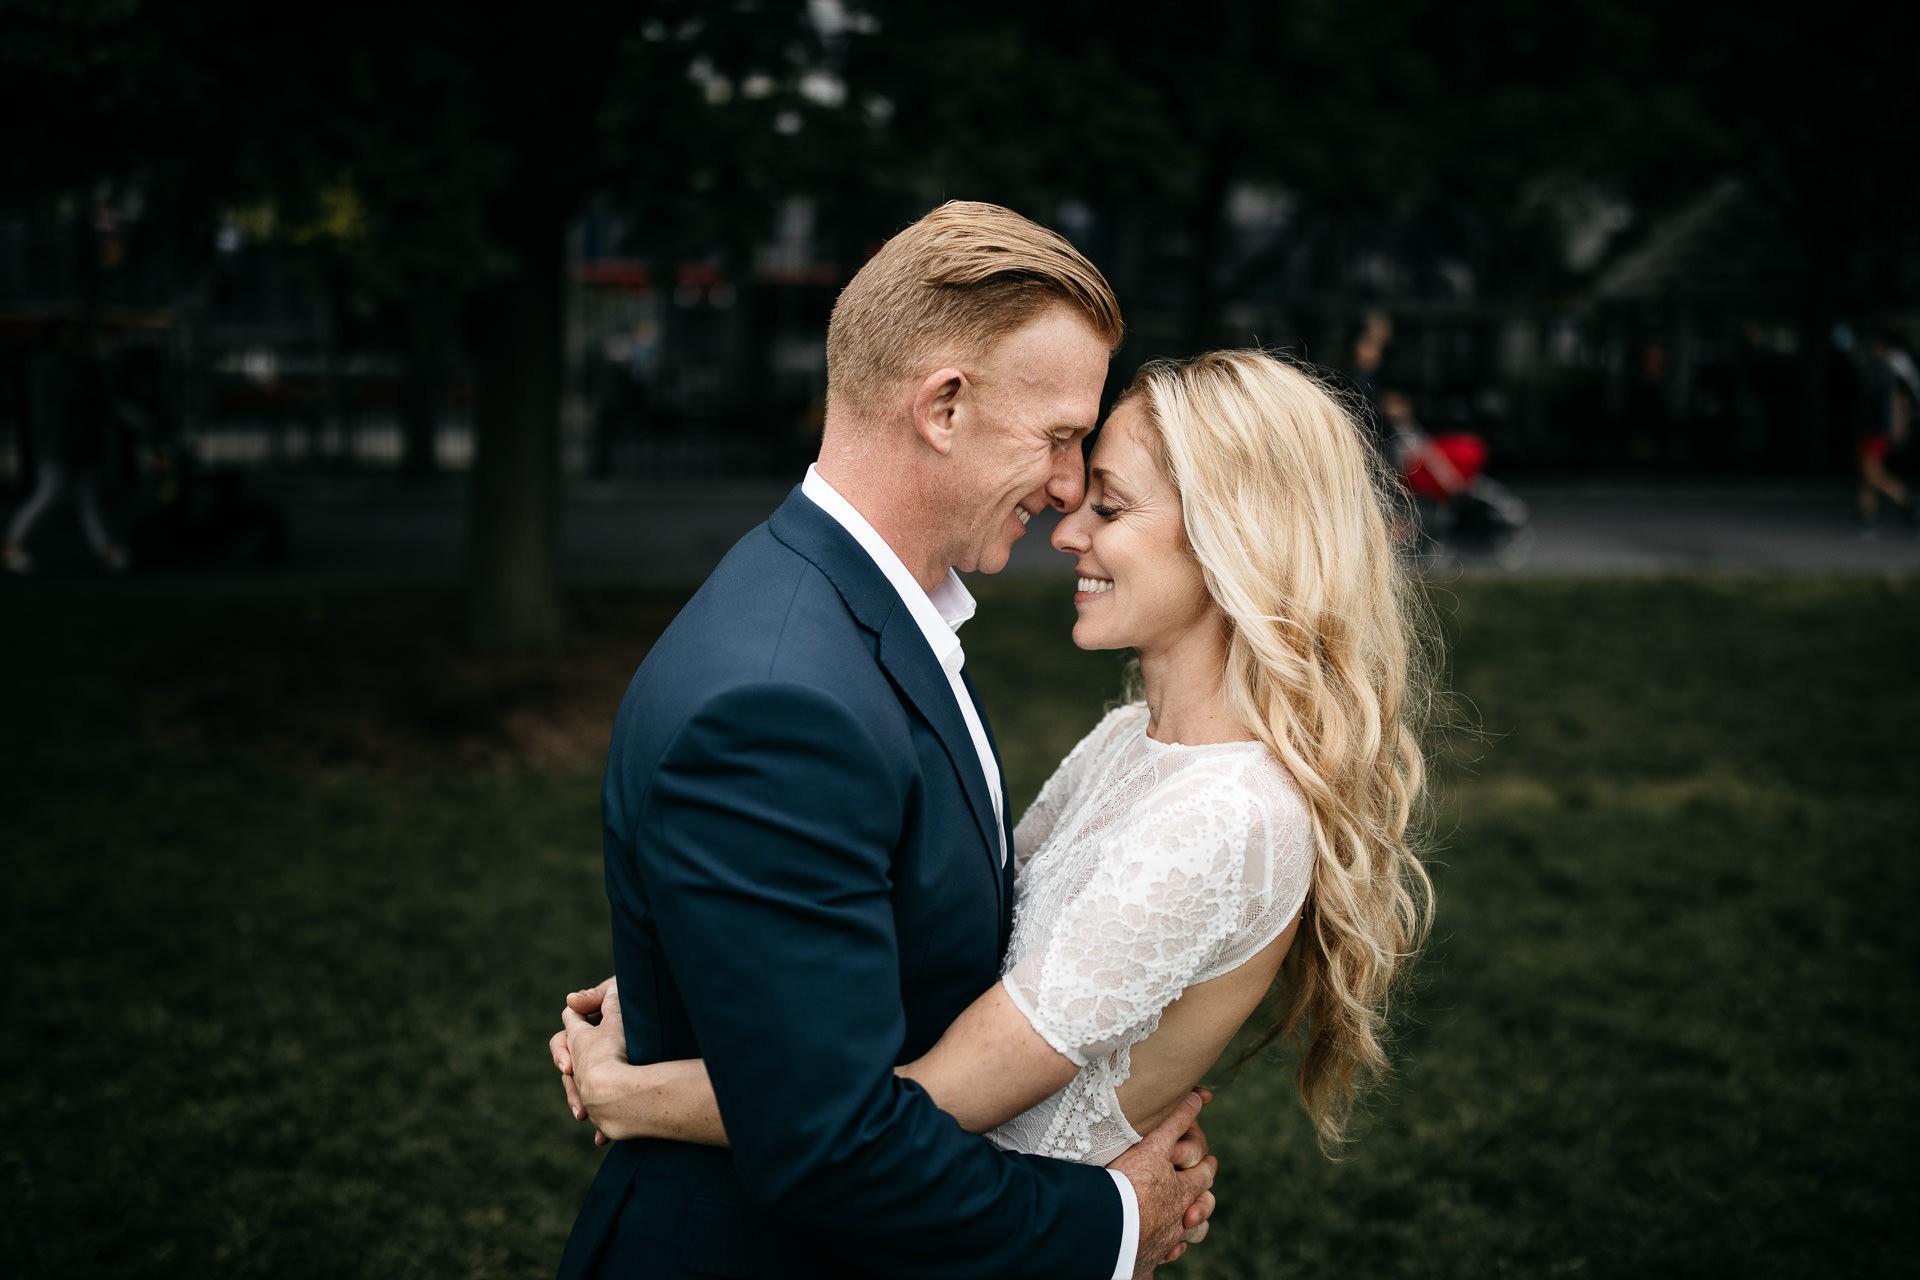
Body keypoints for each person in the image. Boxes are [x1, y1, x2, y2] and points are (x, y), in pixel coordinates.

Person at [554, 349, 1436, 1270]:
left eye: (1112, 504)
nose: (1067, 530)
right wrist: (733, 969)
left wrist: (638, 1092)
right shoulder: (1130, 741)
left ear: (1234, 537)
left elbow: (919, 1103)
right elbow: (939, 937)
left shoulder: (1226, 818)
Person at [549, 202, 1219, 1280]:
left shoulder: (859, 613)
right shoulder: (778, 702)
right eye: (1056, 437)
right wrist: (1116, 1220)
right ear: (944, 406)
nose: (1064, 489)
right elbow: (832, 1149)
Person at [3, 324, 131, 574]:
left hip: (71, 446)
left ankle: (105, 550)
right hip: (64, 447)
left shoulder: (68, 368)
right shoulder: (66, 369)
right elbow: (63, 413)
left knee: (79, 501)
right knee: (52, 497)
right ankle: (13, 544)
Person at [1854, 330, 1916, 536]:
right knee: (1867, 475)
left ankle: (1904, 498)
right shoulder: (1875, 368)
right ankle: (1867, 519)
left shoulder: (1892, 371)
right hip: (1869, 428)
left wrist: (1899, 427)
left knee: (1871, 473)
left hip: (1878, 429)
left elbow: (1902, 400)